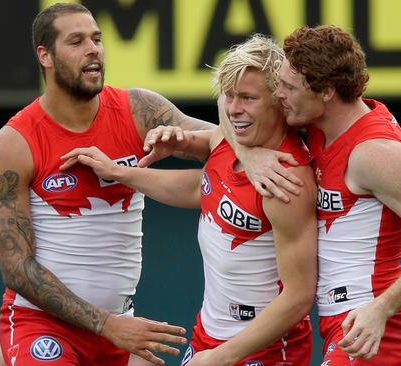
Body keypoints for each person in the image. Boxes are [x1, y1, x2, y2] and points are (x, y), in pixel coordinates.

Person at [0, 3, 238, 366]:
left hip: (120, 325)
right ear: (45, 55)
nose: (93, 49)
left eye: (97, 39)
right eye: (76, 41)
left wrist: (239, 152)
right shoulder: (14, 143)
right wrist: (105, 325)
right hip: (43, 327)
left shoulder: (139, 109)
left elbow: (222, 143)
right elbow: (16, 268)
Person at [60, 34, 318, 366]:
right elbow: (204, 187)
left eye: (248, 98)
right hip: (207, 337)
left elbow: (298, 298)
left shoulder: (285, 179)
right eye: (229, 96)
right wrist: (122, 172)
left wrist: (221, 358)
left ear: (279, 100)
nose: (234, 109)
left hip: (262, 350)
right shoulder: (230, 138)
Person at [271, 25, 401, 365]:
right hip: (342, 323)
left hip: (376, 327)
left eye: (289, 86)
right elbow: (236, 123)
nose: (279, 94)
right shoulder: (319, 123)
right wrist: (254, 156)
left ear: (327, 91)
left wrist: (382, 308)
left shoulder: (373, 152)